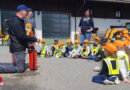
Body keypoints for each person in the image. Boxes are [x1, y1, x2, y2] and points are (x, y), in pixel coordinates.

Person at [0, 4, 40, 73]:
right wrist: (35, 39)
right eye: (26, 11)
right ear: (21, 11)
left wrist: (28, 44)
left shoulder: (20, 20)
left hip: (19, 47)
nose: (27, 13)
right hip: (17, 48)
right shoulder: (16, 21)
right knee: (19, 68)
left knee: (18, 65)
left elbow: (22, 35)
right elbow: (21, 36)